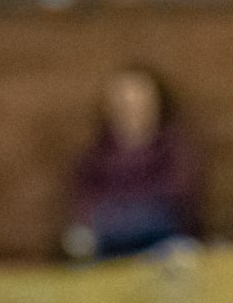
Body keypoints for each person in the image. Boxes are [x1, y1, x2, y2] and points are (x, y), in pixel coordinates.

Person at [65, 66, 202, 260]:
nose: (131, 107)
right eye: (123, 100)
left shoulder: (173, 151)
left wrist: (123, 215)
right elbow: (84, 204)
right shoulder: (95, 156)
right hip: (107, 246)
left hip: (161, 240)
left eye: (139, 99)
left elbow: (177, 201)